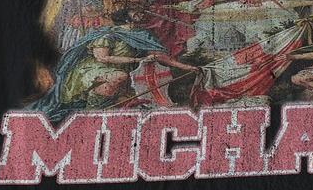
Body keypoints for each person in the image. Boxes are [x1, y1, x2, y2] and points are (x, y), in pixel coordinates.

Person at [31, 10, 200, 122]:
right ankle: (92, 111)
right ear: (125, 18)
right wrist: (135, 61)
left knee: (122, 80)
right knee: (118, 76)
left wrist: (186, 67)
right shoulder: (108, 34)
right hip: (92, 68)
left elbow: (159, 56)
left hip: (123, 68)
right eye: (135, 13)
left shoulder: (143, 35)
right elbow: (102, 57)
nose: (140, 14)